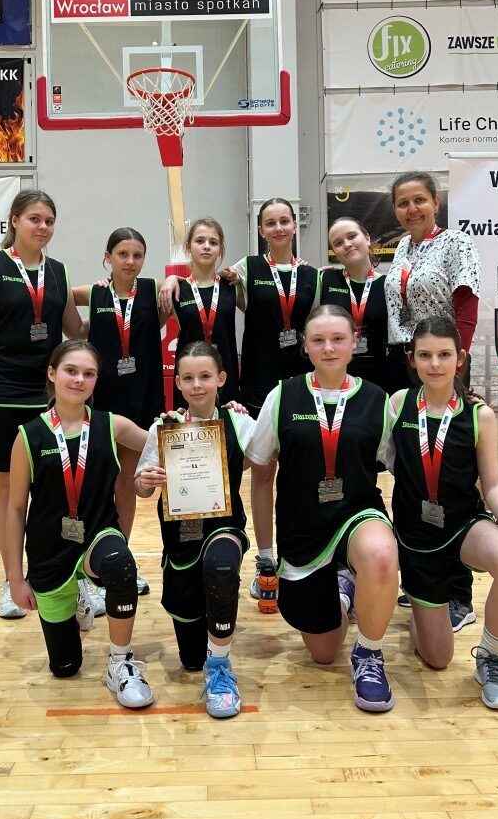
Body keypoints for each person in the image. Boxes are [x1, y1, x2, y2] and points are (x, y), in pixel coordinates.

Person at [161, 198, 320, 613]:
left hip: (295, 384)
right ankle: (239, 557)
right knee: (248, 470)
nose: (279, 227)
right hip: (249, 386)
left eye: (285, 220)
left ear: (295, 225)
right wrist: (170, 278)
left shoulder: (300, 276)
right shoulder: (242, 272)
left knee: (300, 470)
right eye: (270, 222)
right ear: (260, 229)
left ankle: (301, 555)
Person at [0, 190, 103, 624]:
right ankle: (11, 581)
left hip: (48, 397)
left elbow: (75, 330)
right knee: (8, 494)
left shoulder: (58, 272)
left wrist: (116, 303)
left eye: (49, 220)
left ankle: (72, 579)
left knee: (60, 490)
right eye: (34, 219)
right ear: (15, 221)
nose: (42, 227)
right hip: (0, 396)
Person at [247, 305, 398, 713]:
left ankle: (369, 654)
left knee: (381, 554)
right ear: (305, 346)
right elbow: (260, 475)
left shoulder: (377, 400)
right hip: (303, 530)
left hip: (357, 515)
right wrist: (265, 555)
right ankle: (345, 591)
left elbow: (405, 471)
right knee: (324, 653)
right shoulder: (282, 395)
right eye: (318, 340)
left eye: (337, 339)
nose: (328, 348)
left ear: (354, 342)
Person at [389, 317, 498, 709]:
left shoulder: (478, 414)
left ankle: (491, 657)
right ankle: (422, 609)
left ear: (461, 358)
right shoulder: (398, 404)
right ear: (412, 359)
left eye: (444, 354)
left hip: (463, 525)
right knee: (437, 658)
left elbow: (493, 484)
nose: (435, 363)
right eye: (425, 355)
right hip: (416, 539)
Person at [4, 340, 154, 709]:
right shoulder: (28, 436)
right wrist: (15, 579)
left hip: (98, 537)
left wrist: (206, 416)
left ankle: (120, 662)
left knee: (121, 564)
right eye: (71, 370)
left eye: (89, 373)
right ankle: (75, 600)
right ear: (52, 373)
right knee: (65, 668)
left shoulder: (112, 425)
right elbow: (15, 509)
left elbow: (167, 439)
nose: (79, 379)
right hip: (49, 551)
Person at [135, 341, 256, 718]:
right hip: (180, 540)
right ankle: (204, 647)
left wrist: (242, 416)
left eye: (205, 376)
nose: (197, 385)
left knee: (221, 568)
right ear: (178, 383)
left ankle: (220, 666)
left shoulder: (238, 421)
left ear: (221, 378)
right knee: (189, 660)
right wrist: (147, 480)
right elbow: (140, 487)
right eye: (188, 378)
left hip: (224, 528)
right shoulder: (164, 426)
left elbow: (268, 452)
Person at [384, 171, 481, 631]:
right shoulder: (402, 249)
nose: (412, 209)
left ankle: (458, 593)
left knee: (451, 477)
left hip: (443, 366)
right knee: (414, 475)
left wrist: (454, 365)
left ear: (436, 202)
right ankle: (422, 580)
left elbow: (466, 308)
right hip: (409, 364)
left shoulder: (456, 243)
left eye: (419, 200)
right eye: (403, 203)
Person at [73, 227, 167, 596]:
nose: (130, 261)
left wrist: (173, 280)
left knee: (126, 485)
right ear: (107, 256)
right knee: (95, 486)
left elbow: (184, 286)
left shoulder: (153, 289)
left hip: (142, 400)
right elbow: (61, 296)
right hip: (101, 404)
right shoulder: (95, 293)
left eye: (137, 255)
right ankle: (88, 567)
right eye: (122, 254)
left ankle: (120, 562)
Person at [170, 217, 240, 408]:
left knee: (227, 426)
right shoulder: (176, 289)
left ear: (220, 249)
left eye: (213, 242)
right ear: (188, 246)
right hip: (189, 381)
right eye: (200, 241)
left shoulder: (233, 286)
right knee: (190, 427)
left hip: (224, 379)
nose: (206, 246)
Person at [320, 217, 387, 387]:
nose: (347, 244)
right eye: (338, 243)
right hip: (335, 376)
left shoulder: (389, 284)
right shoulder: (325, 280)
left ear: (367, 237)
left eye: (352, 236)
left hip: (381, 377)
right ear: (334, 252)